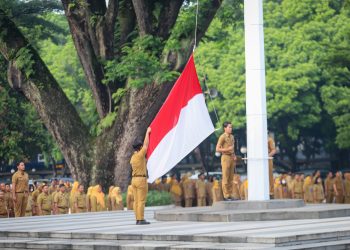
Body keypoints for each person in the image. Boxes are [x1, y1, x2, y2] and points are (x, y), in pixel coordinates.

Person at [130, 127, 151, 225]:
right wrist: (147, 132)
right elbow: (146, 145)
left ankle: (137, 219)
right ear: (140, 147)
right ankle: (141, 219)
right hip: (141, 179)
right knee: (141, 201)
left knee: (136, 201)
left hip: (133, 180)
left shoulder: (133, 157)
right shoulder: (140, 155)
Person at [216, 121, 236, 201]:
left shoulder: (232, 137)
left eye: (231, 127)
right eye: (229, 127)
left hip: (231, 157)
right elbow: (217, 149)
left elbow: (233, 148)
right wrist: (227, 149)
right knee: (226, 176)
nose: (231, 129)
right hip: (225, 157)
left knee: (231, 177)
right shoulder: (222, 137)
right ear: (225, 128)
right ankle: (226, 195)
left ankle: (230, 194)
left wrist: (234, 155)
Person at [268, 133, 277, 197]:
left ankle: (271, 192)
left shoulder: (269, 139)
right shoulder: (256, 140)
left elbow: (273, 150)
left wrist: (267, 156)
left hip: (267, 159)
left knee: (269, 175)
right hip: (258, 161)